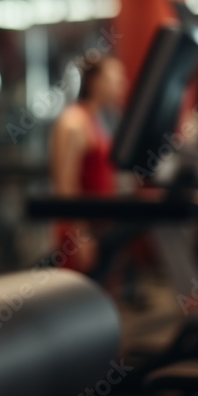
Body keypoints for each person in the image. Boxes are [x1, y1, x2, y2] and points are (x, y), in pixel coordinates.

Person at [48, 54, 126, 278]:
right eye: (116, 79)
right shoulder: (74, 122)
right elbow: (65, 186)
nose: (122, 85)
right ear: (95, 82)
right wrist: (80, 237)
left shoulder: (98, 118)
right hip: (81, 230)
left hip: (100, 227)